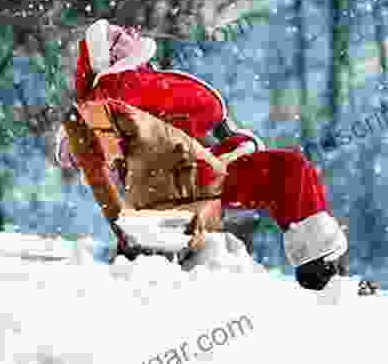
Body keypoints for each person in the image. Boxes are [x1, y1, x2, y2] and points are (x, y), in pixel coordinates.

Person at [57, 19, 350, 290]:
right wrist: (230, 148)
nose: (133, 34)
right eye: (120, 37)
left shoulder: (125, 89)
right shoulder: (121, 86)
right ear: (109, 57)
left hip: (187, 175)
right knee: (288, 169)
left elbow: (168, 130)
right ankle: (322, 268)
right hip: (189, 182)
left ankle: (323, 266)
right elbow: (189, 113)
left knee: (287, 169)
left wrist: (230, 145)